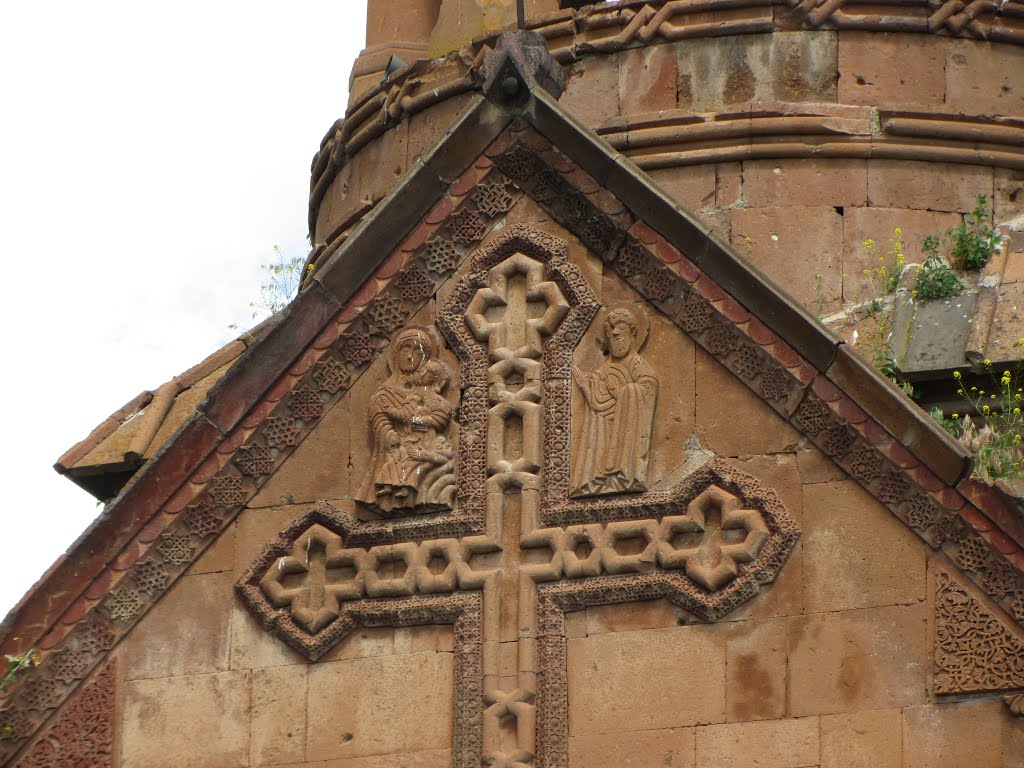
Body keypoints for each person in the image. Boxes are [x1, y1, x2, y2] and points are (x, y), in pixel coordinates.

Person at [359, 326, 456, 513]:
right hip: (395, 447)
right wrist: (389, 435)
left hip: (425, 444)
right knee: (398, 462)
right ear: (395, 355)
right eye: (405, 349)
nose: (410, 355)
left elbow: (440, 415)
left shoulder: (429, 395)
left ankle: (417, 494)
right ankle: (392, 490)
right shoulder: (384, 393)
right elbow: (379, 420)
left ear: (425, 360)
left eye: (416, 351)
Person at [571, 304, 658, 496]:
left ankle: (624, 473)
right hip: (601, 435)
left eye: (621, 327)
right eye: (611, 329)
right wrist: (586, 385)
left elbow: (646, 391)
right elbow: (596, 404)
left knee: (633, 390)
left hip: (626, 436)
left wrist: (623, 393)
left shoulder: (639, 367)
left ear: (633, 333)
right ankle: (595, 480)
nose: (615, 332)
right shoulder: (602, 370)